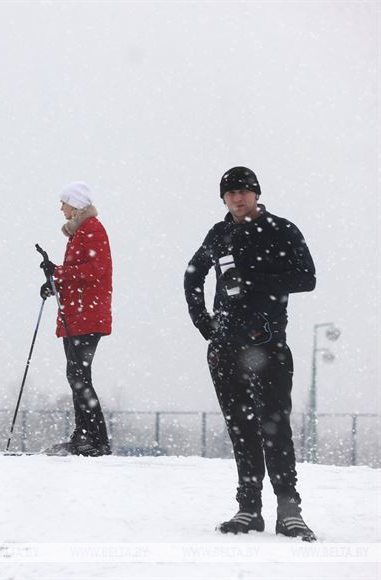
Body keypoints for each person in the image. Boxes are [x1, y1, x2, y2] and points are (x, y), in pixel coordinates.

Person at [184, 166, 317, 541]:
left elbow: (306, 277)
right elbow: (193, 275)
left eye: (244, 191)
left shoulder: (281, 229)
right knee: (241, 430)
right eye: (230, 193)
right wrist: (205, 324)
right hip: (225, 349)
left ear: (256, 194)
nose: (238, 198)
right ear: (223, 199)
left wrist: (254, 281)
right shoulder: (220, 233)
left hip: (268, 346)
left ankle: (290, 512)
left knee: (275, 429)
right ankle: (249, 509)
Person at [39, 181, 113, 457]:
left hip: (87, 315)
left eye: (64, 202)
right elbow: (79, 273)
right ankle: (85, 434)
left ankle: (96, 438)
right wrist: (54, 283)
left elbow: (95, 270)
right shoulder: (80, 231)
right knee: (77, 375)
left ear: (76, 204)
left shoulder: (92, 229)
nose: (61, 207)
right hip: (78, 313)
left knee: (78, 375)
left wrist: (58, 273)